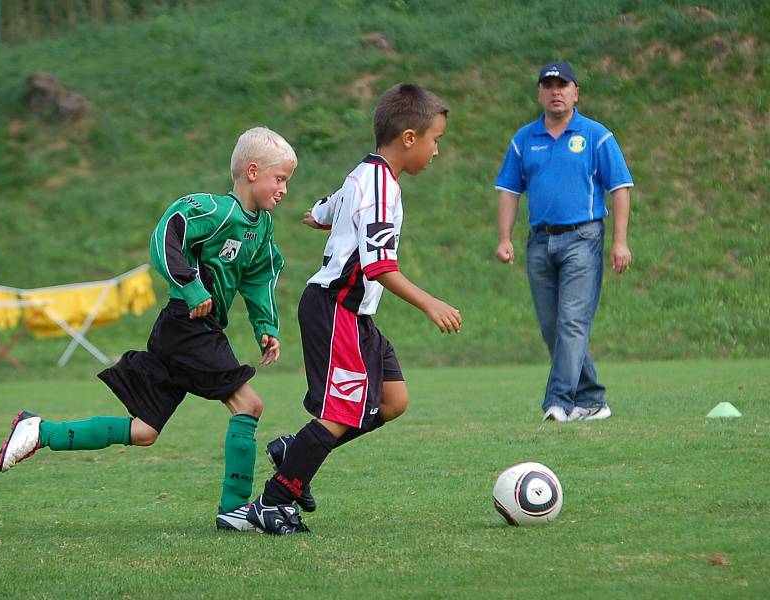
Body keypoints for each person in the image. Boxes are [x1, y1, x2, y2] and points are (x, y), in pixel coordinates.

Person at [0, 127, 297, 530]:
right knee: (249, 405)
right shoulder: (213, 210)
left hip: (186, 332)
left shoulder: (262, 228)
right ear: (253, 171)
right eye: (280, 179)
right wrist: (190, 286)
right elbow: (167, 233)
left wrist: (266, 325)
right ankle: (235, 508)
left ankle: (39, 432)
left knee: (144, 431)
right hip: (188, 325)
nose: (284, 190)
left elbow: (260, 276)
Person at [244, 83, 462, 535]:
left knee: (393, 401)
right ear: (408, 138)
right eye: (434, 140)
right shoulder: (380, 187)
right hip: (336, 308)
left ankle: (295, 451)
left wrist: (319, 215)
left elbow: (329, 210)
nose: (436, 150)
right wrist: (430, 303)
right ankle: (274, 500)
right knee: (342, 412)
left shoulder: (365, 173)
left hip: (356, 315)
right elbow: (380, 266)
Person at [494, 61, 633, 422]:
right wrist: (504, 238)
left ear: (575, 92)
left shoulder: (595, 135)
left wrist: (620, 241)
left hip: (583, 239)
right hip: (539, 242)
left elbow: (619, 188)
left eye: (563, 84)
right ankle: (592, 399)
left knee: (572, 322)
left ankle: (558, 402)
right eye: (549, 85)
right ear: (539, 93)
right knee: (552, 327)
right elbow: (509, 189)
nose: (556, 91)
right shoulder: (525, 139)